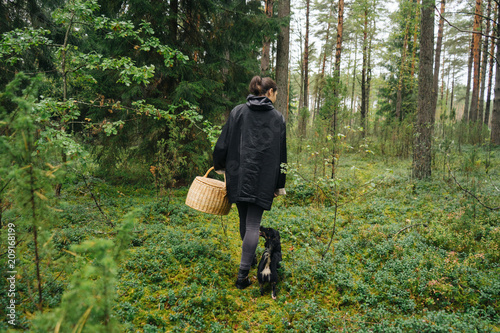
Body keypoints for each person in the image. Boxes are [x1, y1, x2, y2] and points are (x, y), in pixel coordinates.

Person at [213, 76, 287, 289]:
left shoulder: (238, 112)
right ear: (270, 92)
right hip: (263, 178)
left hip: (238, 175)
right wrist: (278, 183)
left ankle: (250, 257)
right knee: (253, 224)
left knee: (245, 221)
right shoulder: (278, 118)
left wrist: (220, 166)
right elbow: (281, 156)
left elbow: (222, 144)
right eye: (276, 92)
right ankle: (242, 276)